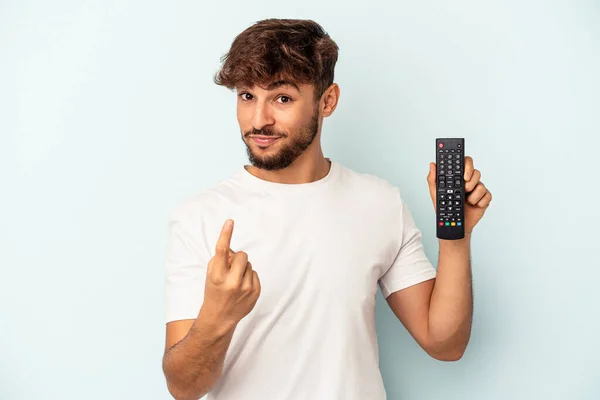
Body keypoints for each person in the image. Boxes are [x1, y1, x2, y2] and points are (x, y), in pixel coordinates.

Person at [161, 18, 492, 400]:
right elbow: (183, 388)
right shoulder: (200, 217)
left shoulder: (379, 202)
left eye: (282, 98)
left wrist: (457, 238)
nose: (258, 120)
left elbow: (444, 343)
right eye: (247, 96)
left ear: (328, 100)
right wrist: (217, 317)